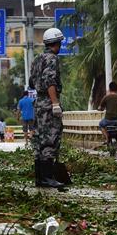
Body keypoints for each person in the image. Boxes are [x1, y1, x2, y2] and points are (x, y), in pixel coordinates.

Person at [29, 28, 67, 190]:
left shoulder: (37, 59)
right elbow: (50, 81)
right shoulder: (52, 59)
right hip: (48, 102)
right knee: (51, 138)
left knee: (39, 138)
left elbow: (32, 82)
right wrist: (55, 103)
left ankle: (39, 177)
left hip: (38, 103)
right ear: (57, 43)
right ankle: (48, 177)